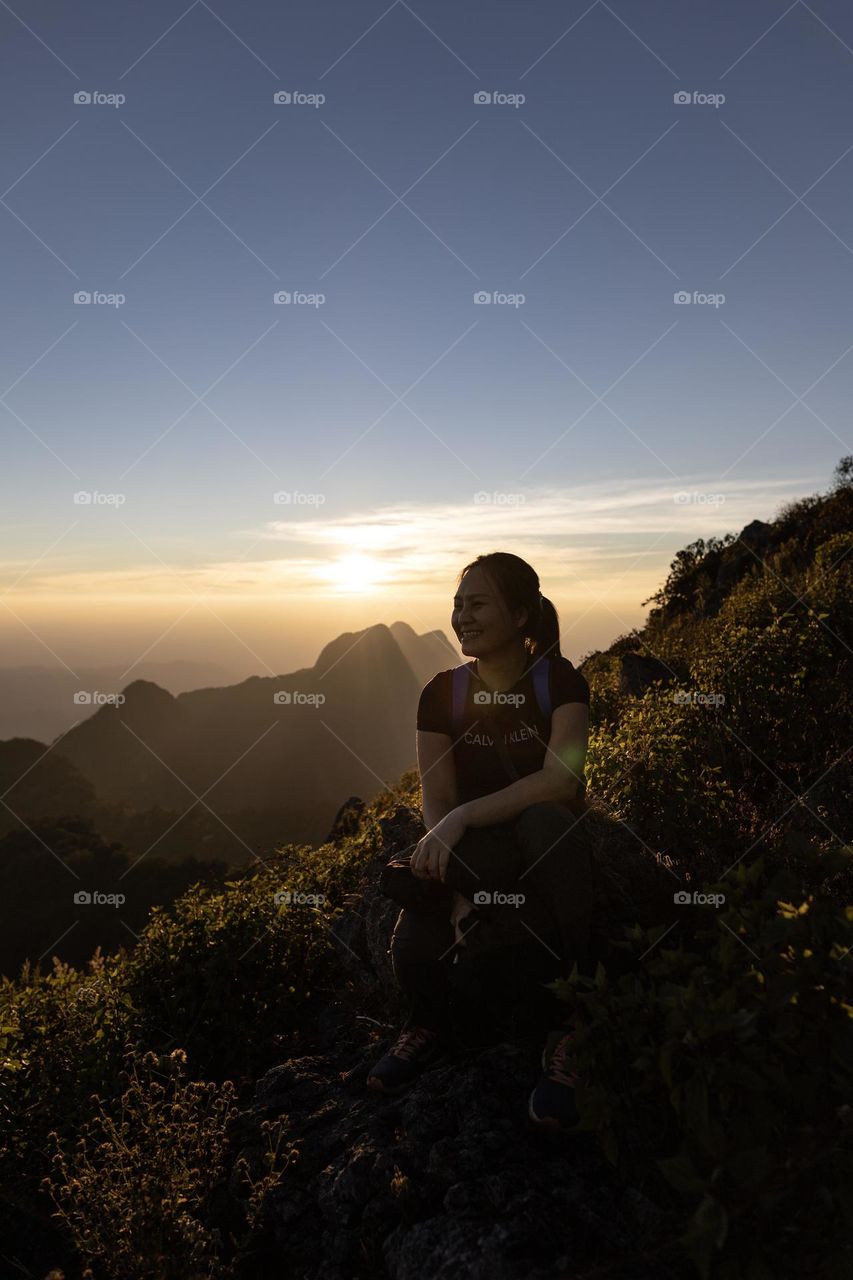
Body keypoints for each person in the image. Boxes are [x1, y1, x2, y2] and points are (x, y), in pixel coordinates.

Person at [366, 552, 597, 1131]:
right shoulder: (441, 693)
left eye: (477, 604)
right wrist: (454, 859)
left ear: (521, 614)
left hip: (540, 830)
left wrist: (466, 817)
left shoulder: (558, 680)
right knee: (427, 892)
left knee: (546, 822)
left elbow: (561, 780)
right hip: (480, 838)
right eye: (457, 604)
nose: (461, 616)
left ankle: (579, 1024)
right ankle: (427, 1022)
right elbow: (437, 798)